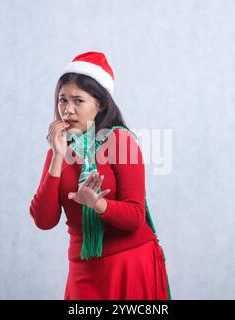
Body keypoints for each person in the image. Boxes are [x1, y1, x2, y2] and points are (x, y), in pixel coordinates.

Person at [30, 51, 171, 299]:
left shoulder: (120, 141)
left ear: (101, 104)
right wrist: (57, 156)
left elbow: (135, 217)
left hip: (129, 265)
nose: (67, 110)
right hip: (84, 270)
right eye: (62, 100)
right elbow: (44, 220)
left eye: (78, 101)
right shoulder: (59, 151)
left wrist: (98, 204)